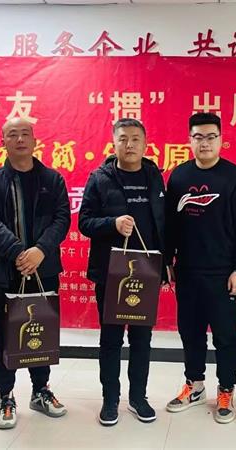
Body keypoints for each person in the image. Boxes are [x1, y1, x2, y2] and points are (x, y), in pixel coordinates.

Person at [0, 117, 71, 430]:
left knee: (41, 332)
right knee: (3, 336)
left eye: (25, 134)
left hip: (44, 269)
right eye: (12, 134)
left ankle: (41, 390)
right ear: (3, 141)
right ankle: (6, 396)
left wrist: (40, 251)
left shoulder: (52, 179)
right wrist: (19, 252)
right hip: (4, 272)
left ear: (34, 140)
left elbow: (62, 219)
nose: (20, 139)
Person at [164, 112, 236, 424]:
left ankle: (226, 389)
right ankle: (194, 385)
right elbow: (170, 225)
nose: (204, 143)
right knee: (190, 333)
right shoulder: (178, 177)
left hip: (223, 273)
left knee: (226, 336)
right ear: (189, 140)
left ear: (220, 140)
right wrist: (167, 261)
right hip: (188, 271)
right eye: (198, 137)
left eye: (210, 137)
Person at [79, 118, 168, 426]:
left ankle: (138, 398)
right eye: (123, 139)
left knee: (142, 339)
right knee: (111, 339)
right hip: (111, 273)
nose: (129, 145)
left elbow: (163, 225)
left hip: (146, 273)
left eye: (135, 139)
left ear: (145, 144)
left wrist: (166, 264)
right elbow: (84, 222)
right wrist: (112, 224)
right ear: (113, 143)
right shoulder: (100, 178)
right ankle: (110, 400)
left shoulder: (155, 177)